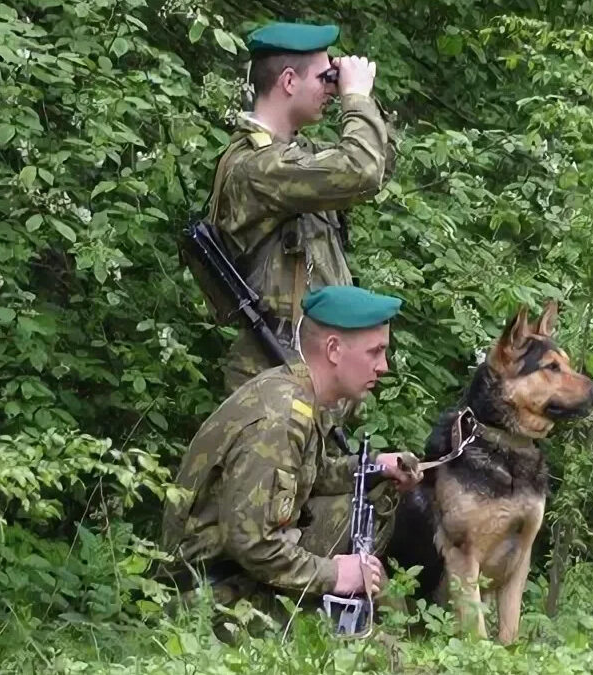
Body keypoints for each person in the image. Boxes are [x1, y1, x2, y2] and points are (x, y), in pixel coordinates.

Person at [159, 284, 421, 640]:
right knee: (376, 653)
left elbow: (314, 476)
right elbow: (253, 544)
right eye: (375, 352)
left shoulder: (296, 392)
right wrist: (334, 575)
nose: (384, 366)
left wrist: (377, 466)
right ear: (333, 349)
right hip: (212, 596)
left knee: (375, 499)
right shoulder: (280, 420)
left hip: (238, 571)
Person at [207, 21, 398, 393]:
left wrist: (363, 97)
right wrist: (354, 97)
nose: (331, 88)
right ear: (290, 81)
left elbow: (377, 168)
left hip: (301, 368)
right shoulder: (258, 169)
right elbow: (360, 169)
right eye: (324, 77)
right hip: (271, 374)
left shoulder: (294, 157)